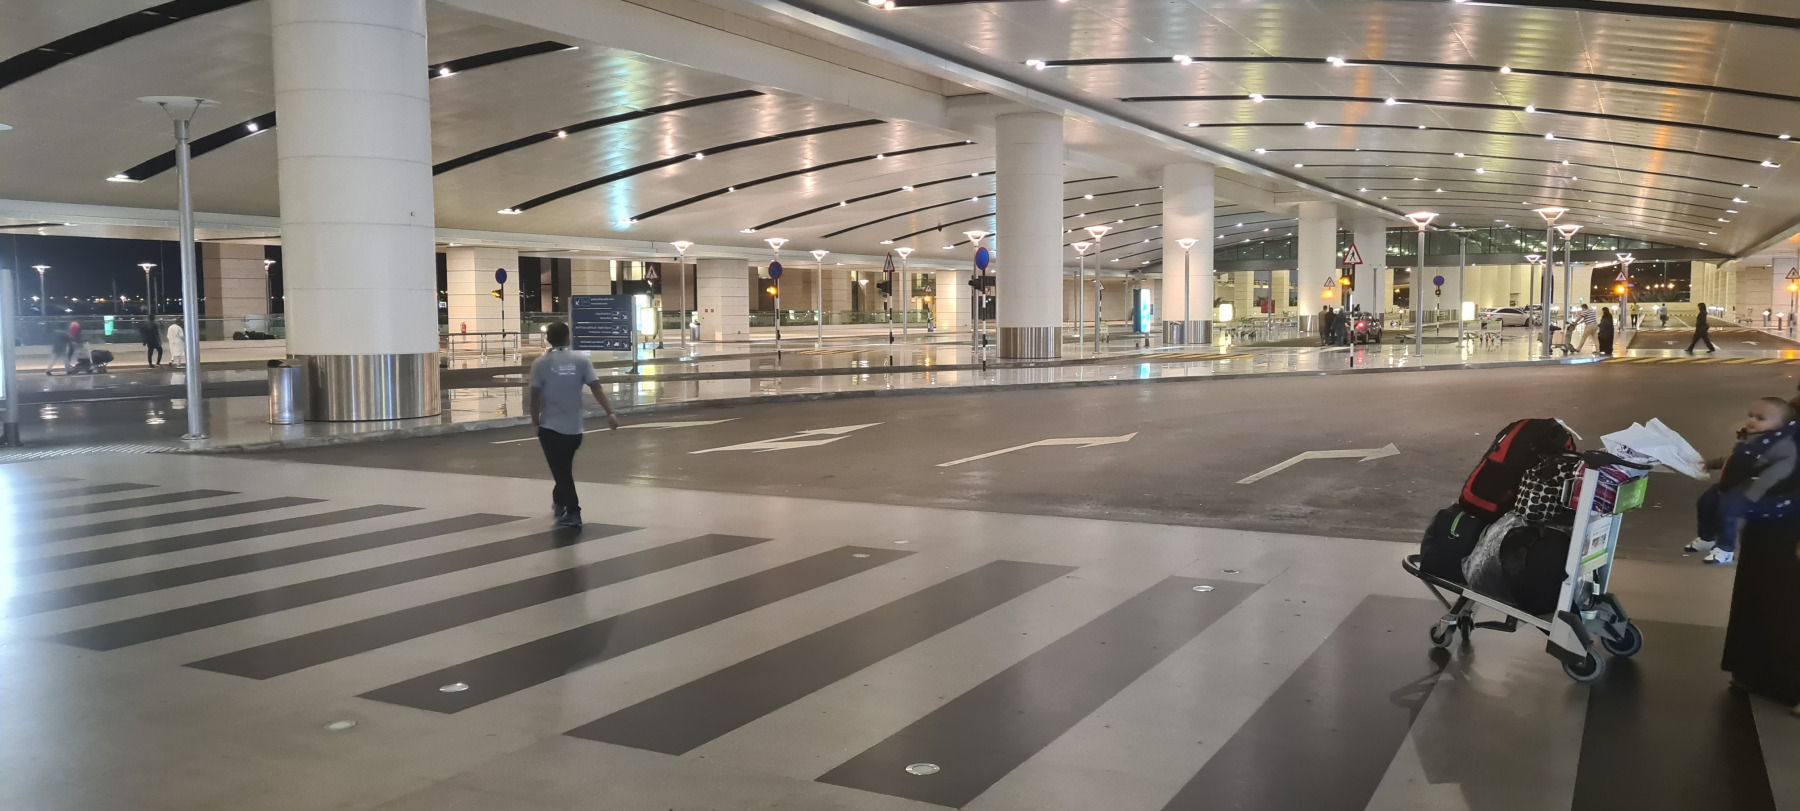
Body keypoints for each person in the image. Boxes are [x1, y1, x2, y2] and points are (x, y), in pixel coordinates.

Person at [1685, 397, 1800, 565]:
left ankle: (1726, 549)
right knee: (1707, 501)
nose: (1752, 420)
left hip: (1760, 489)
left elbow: (1776, 472)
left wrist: (1754, 493)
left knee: (1729, 510)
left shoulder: (1781, 445)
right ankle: (1707, 537)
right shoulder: (1754, 438)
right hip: (1734, 483)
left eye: (1760, 418)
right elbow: (1736, 458)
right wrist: (1712, 464)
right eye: (1751, 415)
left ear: (1779, 426)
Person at [529, 321, 620, 527]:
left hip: (550, 427)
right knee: (563, 469)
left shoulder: (540, 364)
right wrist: (610, 412)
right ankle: (559, 502)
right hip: (575, 429)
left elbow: (534, 395)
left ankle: (573, 511)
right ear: (568, 337)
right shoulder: (581, 360)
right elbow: (596, 387)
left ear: (548, 339)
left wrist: (535, 421)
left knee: (561, 472)